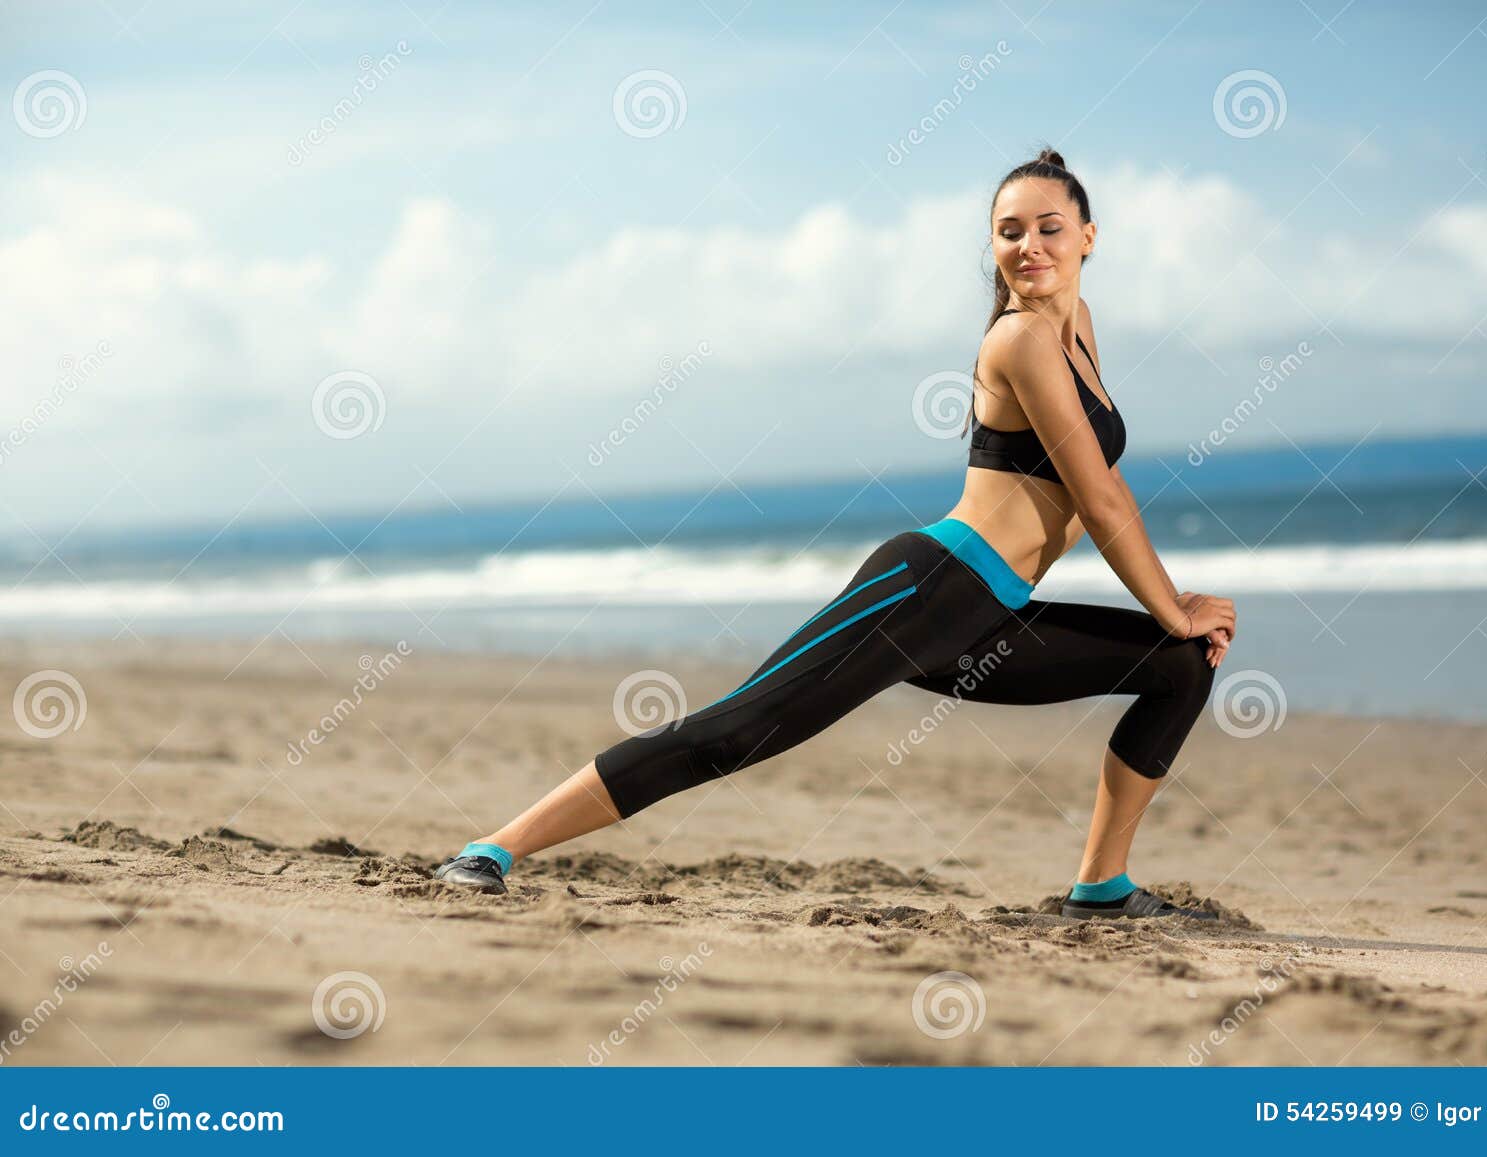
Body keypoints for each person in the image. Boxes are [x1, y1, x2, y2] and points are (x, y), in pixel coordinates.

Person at [434, 148, 1237, 921]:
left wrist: (1177, 608)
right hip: (928, 589)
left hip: (991, 616)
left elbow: (1107, 477)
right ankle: (492, 849)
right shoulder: (1018, 340)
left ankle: (1099, 884)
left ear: (1088, 237)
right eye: (1009, 231)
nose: (1029, 246)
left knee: (1177, 667)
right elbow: (1093, 498)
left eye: (1049, 227)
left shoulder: (1077, 327)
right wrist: (1169, 604)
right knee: (736, 731)